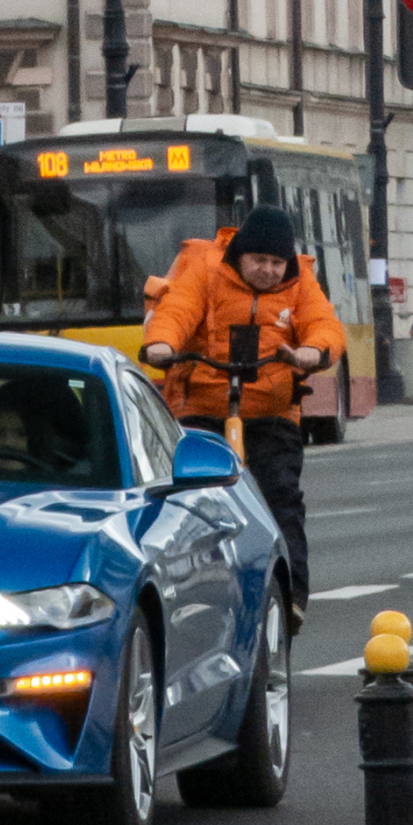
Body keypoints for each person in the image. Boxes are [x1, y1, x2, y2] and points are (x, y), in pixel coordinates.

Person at [141, 203, 343, 625]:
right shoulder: (206, 270)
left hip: (270, 412)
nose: (269, 270)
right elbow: (176, 312)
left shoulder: (300, 282)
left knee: (281, 498)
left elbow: (325, 325)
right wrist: (161, 344)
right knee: (186, 501)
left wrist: (313, 350)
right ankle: (184, 591)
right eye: (260, 261)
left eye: (277, 262)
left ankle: (291, 600)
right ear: (240, 255)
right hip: (203, 407)